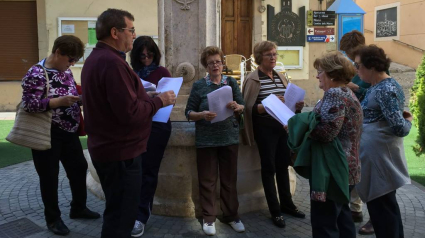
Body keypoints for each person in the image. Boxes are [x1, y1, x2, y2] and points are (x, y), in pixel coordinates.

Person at [81, 9, 176, 238]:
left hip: (109, 150)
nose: (134, 35)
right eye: (131, 30)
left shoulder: (97, 59)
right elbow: (130, 113)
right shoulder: (113, 63)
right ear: (115, 32)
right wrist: (160, 101)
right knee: (121, 220)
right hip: (120, 155)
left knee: (116, 214)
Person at [21, 35, 100, 236]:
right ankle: (53, 219)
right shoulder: (36, 72)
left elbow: (71, 92)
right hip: (46, 133)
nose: (72, 64)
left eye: (74, 60)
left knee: (79, 168)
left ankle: (78, 207)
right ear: (58, 52)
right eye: (70, 59)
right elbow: (29, 104)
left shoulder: (65, 72)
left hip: (69, 131)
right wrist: (58, 102)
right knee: (49, 176)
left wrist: (79, 99)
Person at [294, 51, 362, 238]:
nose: (317, 76)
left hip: (332, 170)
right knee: (343, 219)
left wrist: (297, 127)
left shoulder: (334, 94)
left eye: (320, 71)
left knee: (324, 223)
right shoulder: (346, 92)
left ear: (332, 73)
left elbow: (326, 133)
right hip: (348, 168)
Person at [241, 40, 305, 228]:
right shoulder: (253, 78)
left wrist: (297, 106)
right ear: (260, 57)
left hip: (283, 128)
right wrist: (265, 106)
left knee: (283, 167)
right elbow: (247, 108)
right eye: (269, 54)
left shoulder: (280, 76)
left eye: (275, 54)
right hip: (265, 130)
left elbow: (288, 104)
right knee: (268, 169)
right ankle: (275, 210)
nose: (273, 57)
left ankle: (287, 205)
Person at [185, 46, 245, 236]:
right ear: (206, 66)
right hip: (207, 140)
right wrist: (202, 115)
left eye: (218, 61)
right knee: (208, 181)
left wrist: (237, 106)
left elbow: (242, 106)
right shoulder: (199, 86)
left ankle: (231, 216)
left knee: (229, 180)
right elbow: (188, 113)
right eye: (211, 63)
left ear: (222, 63)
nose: (215, 65)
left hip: (229, 138)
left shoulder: (230, 83)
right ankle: (208, 218)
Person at [354, 45, 412, 238]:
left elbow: (399, 128)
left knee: (384, 214)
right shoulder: (376, 87)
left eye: (358, 65)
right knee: (385, 212)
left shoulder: (386, 88)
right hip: (376, 160)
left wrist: (408, 121)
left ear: (371, 66)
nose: (356, 70)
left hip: (381, 163)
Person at [129, 36, 172, 237]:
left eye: (150, 54)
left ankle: (141, 216)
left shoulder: (162, 73)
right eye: (142, 54)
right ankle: (130, 211)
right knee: (131, 171)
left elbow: (170, 99)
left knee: (148, 171)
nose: (146, 58)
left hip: (158, 127)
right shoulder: (129, 73)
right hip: (135, 126)